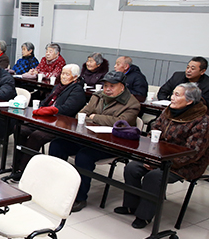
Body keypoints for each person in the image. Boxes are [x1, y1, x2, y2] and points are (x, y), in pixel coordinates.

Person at [117, 83, 209, 228]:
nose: (172, 98)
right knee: (132, 168)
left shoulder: (202, 122)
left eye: (177, 95)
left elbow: (192, 154)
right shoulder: (168, 112)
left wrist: (159, 163)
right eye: (173, 94)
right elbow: (154, 131)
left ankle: (144, 216)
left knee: (154, 176)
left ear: (189, 101)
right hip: (159, 157)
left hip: (186, 164)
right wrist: (151, 156)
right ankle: (131, 206)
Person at [49, 71, 141, 212]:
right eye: (105, 85)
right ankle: (55, 186)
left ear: (122, 87)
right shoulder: (98, 96)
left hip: (111, 144)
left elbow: (120, 123)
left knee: (84, 157)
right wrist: (97, 118)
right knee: (57, 144)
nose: (107, 89)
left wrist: (94, 117)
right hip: (88, 138)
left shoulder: (132, 104)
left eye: (112, 86)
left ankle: (80, 198)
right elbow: (81, 114)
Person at [10, 64, 87, 179]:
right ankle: (17, 164)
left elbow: (67, 110)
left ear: (75, 77)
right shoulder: (58, 87)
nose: (63, 76)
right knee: (20, 129)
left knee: (36, 136)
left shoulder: (77, 91)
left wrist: (48, 111)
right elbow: (45, 102)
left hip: (60, 124)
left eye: (67, 74)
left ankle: (24, 169)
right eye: (62, 73)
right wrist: (41, 109)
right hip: (44, 120)